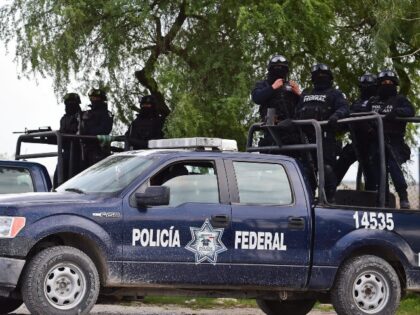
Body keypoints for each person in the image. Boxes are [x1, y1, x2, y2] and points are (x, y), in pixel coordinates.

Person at [296, 63, 349, 202]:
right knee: (307, 171)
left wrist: (336, 116)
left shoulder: (335, 94)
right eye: (317, 76)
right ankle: (309, 200)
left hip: (325, 139)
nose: (320, 78)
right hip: (306, 140)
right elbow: (297, 112)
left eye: (323, 76)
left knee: (326, 170)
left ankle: (329, 201)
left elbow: (344, 109)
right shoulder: (306, 94)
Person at [369, 69, 415, 209]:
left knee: (394, 167)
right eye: (383, 82)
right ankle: (382, 201)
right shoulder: (373, 101)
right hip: (376, 142)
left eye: (389, 82)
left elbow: (410, 111)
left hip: (394, 142)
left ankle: (403, 197)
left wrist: (396, 113)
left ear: (394, 84)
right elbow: (362, 113)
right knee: (376, 171)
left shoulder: (400, 100)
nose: (386, 84)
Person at [335, 73, 378, 189]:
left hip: (372, 143)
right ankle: (330, 189)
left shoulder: (377, 102)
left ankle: (374, 195)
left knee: (371, 170)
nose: (365, 88)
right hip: (356, 141)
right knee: (342, 160)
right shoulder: (356, 102)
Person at [251, 54, 301, 149]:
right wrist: (273, 87)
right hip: (271, 131)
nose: (279, 72)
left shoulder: (290, 86)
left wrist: (298, 93)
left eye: (282, 69)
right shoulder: (263, 85)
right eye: (276, 69)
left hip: (291, 131)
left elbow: (302, 106)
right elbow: (256, 98)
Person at [53, 93, 82, 187]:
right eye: (67, 103)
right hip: (66, 152)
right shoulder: (64, 119)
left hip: (78, 153)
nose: (69, 105)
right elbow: (62, 131)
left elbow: (78, 131)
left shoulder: (81, 117)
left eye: (71, 102)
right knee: (58, 180)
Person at [79, 88, 113, 169]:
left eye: (96, 98)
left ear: (101, 99)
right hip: (85, 150)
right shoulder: (86, 113)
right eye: (92, 98)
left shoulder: (106, 114)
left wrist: (88, 132)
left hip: (99, 150)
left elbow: (105, 130)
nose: (94, 100)